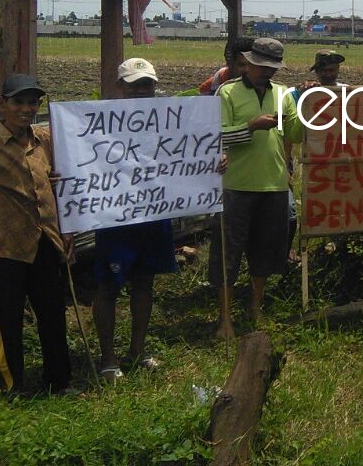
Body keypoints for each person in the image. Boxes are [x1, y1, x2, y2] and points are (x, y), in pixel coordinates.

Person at [92, 59, 227, 381]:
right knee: (108, 286)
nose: (143, 90)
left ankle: (137, 351)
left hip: (154, 214)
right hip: (115, 216)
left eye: (148, 84)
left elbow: (190, 150)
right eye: (136, 84)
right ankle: (108, 358)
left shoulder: (168, 119)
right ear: (119, 86)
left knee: (145, 283)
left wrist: (213, 161)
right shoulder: (97, 122)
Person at [0, 74, 74, 395]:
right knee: (7, 317)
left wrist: (65, 229)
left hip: (44, 240)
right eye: (19, 102)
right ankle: (10, 386)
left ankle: (59, 381)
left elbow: (56, 181)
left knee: (52, 314)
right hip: (5, 246)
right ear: (2, 105)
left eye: (33, 102)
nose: (27, 109)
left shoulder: (43, 140)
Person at [213, 38, 303, 339]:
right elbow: (217, 137)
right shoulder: (227, 92)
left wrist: (306, 108)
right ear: (247, 62)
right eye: (262, 66)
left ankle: (255, 307)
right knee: (229, 254)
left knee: (264, 252)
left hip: (274, 183)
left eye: (272, 68)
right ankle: (224, 318)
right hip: (236, 185)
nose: (267, 72)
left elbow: (294, 134)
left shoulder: (283, 95)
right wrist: (250, 127)